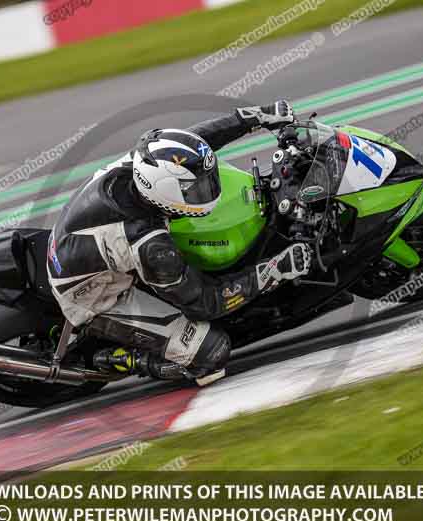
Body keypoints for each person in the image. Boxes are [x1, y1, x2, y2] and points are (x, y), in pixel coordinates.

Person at [47, 100, 313, 386]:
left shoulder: (144, 161)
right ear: (164, 193)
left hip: (76, 243)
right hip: (94, 296)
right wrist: (272, 270)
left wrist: (252, 118)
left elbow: (195, 146)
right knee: (212, 351)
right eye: (195, 189)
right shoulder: (152, 245)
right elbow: (206, 303)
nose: (207, 190)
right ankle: (126, 359)